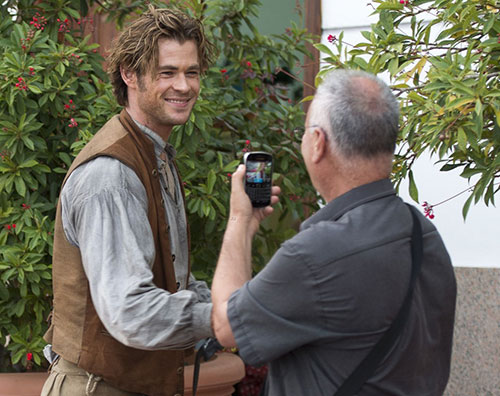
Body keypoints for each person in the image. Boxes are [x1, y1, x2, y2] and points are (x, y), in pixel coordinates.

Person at [211, 69, 457, 395]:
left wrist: (240, 220)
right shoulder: (424, 234)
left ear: (317, 143)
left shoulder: (316, 254)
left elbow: (226, 326)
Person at [41, 5, 216, 396]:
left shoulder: (155, 156)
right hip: (96, 387)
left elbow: (168, 279)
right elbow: (130, 311)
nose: (184, 86)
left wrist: (233, 299)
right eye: (167, 72)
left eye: (192, 72)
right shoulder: (112, 175)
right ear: (129, 74)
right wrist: (223, 318)